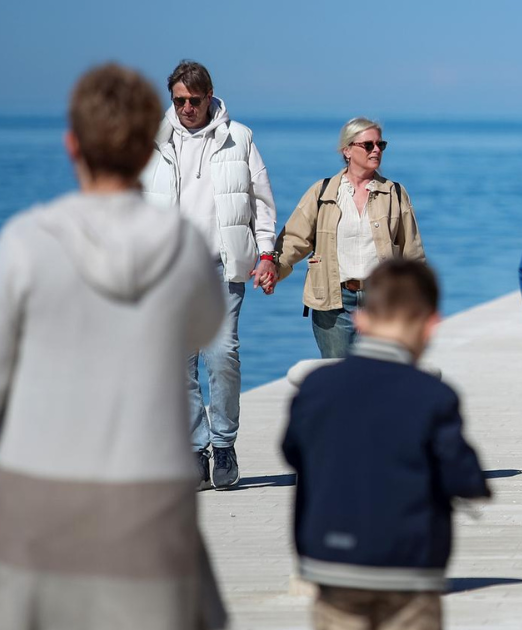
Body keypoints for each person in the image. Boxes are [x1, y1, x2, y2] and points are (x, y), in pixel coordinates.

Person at [0, 63, 227, 630]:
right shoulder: (184, 250)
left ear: (72, 143)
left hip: (37, 505)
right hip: (149, 502)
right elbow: (203, 331)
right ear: (149, 148)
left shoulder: (24, 243)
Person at [282, 259, 490, 630]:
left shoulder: (316, 389)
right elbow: (464, 477)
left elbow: (292, 451)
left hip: (331, 564)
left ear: (361, 321)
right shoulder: (433, 396)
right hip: (408, 568)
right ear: (430, 325)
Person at [141, 59, 278, 490]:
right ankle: (197, 452)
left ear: (208, 96)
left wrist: (268, 253)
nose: (186, 108)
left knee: (222, 356)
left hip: (223, 266)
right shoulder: (154, 141)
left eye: (193, 100)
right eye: (179, 100)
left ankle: (224, 445)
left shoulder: (240, 138)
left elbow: (262, 200)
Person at [275, 117, 427, 359]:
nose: (376, 150)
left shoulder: (395, 193)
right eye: (368, 145)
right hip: (334, 302)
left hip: (382, 301)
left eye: (380, 145)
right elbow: (294, 239)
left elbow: (413, 252)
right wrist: (272, 269)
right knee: (339, 379)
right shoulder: (322, 192)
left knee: (379, 377)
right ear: (347, 150)